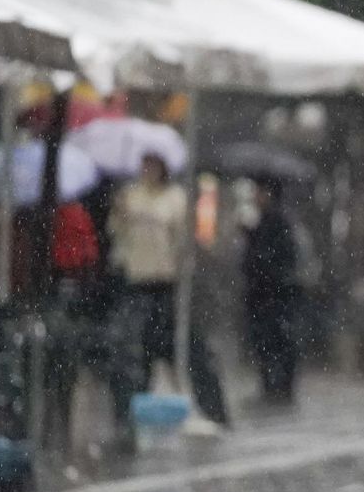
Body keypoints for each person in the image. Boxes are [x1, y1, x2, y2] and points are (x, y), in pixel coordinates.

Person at [108, 153, 229, 428]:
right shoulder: (130, 196)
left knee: (192, 351)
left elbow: (183, 241)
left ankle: (214, 413)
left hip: (166, 286)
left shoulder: (175, 198)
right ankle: (127, 418)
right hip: (137, 284)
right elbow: (118, 235)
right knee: (131, 356)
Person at [241, 177, 300, 407]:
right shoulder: (262, 222)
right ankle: (271, 385)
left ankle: (281, 387)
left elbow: (277, 259)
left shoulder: (278, 222)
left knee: (278, 341)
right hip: (261, 295)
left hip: (275, 295)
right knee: (264, 343)